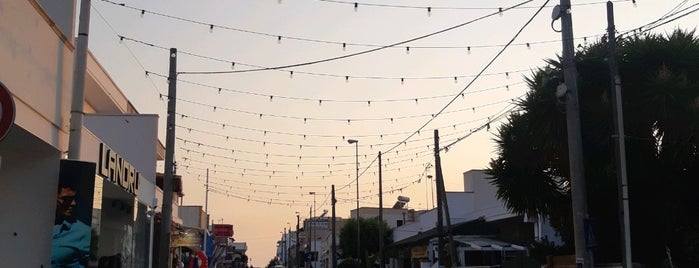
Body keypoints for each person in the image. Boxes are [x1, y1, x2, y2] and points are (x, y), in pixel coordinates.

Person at [51, 181, 91, 267]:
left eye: (74, 198)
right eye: (66, 199)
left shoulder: (82, 232)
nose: (73, 203)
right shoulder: (35, 227)